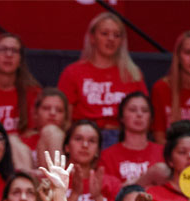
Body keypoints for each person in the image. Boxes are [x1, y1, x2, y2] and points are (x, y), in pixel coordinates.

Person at [57, 13, 147, 144]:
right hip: (85, 137)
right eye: (104, 33)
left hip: (122, 138)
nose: (111, 39)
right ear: (92, 38)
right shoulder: (73, 72)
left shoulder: (133, 74)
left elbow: (144, 116)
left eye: (117, 35)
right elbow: (65, 119)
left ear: (122, 41)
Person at [62, 120, 121, 201]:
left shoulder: (112, 183)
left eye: (92, 141)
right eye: (78, 139)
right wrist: (74, 195)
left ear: (98, 151)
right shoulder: (56, 180)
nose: (85, 145)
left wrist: (98, 197)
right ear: (67, 147)